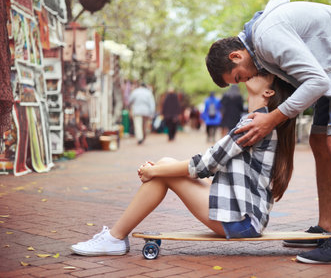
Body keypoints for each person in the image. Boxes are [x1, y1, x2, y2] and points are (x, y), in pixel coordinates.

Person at [205, 0, 331, 264]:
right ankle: (326, 229)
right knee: (318, 141)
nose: (246, 81)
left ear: (236, 56)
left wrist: (273, 119)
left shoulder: (267, 37)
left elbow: (317, 81)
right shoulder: (259, 39)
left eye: (239, 77)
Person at [70, 74, 297, 256]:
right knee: (165, 165)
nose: (253, 73)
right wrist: (158, 169)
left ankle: (115, 237)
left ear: (269, 92)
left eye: (261, 73)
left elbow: (206, 163)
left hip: (241, 220)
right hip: (244, 214)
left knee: (163, 170)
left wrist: (153, 171)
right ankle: (115, 237)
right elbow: (211, 164)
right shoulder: (259, 119)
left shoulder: (254, 123)